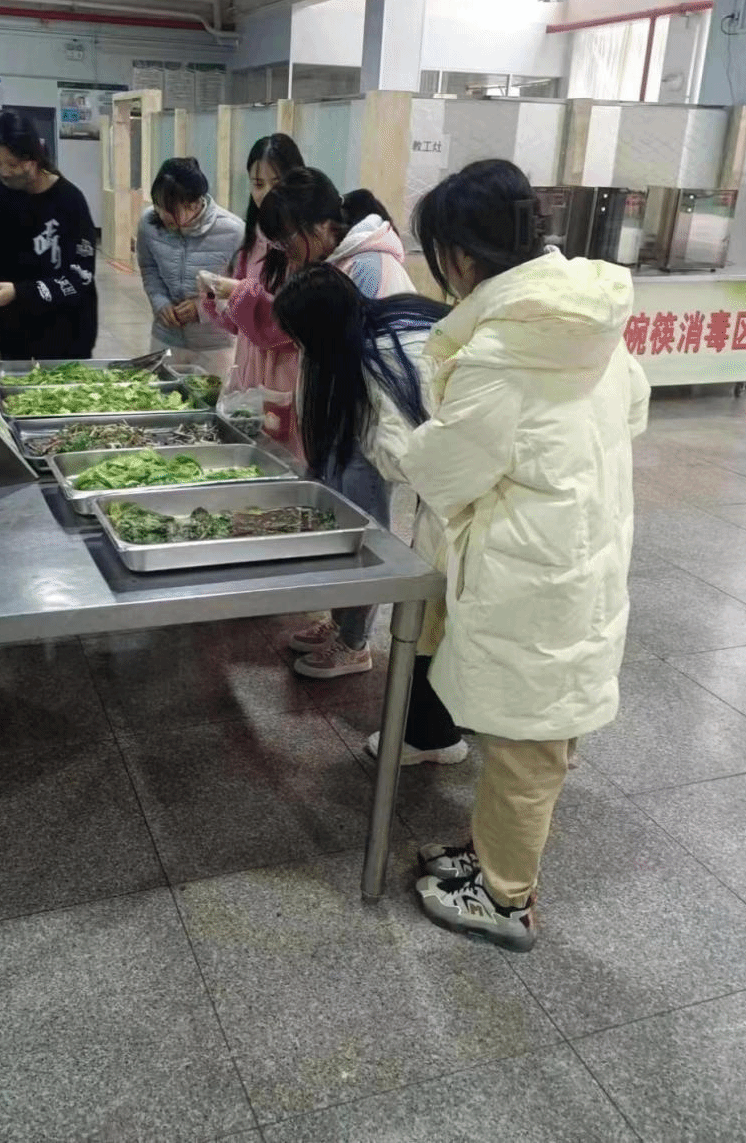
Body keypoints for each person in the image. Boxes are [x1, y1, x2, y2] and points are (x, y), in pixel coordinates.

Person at [379, 159, 650, 951]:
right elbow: (634, 410)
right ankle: (493, 856)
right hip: (581, 545)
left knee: (529, 746)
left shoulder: (502, 351)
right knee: (533, 735)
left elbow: (445, 471)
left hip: (536, 568)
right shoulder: (585, 315)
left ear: (462, 256)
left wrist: (390, 432)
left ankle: (506, 898)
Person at [273, 263, 468, 764]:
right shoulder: (364, 330)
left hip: (461, 483)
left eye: (299, 337)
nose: (298, 347)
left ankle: (363, 651)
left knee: (436, 600)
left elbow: (407, 460)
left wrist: (364, 445)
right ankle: (348, 629)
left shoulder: (382, 358)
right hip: (454, 471)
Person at [257, 168, 417, 678]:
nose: (286, 252)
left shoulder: (370, 266)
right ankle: (339, 621)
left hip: (365, 428)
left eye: (288, 239)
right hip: (340, 418)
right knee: (337, 520)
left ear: (323, 226)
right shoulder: (340, 259)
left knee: (361, 529)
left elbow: (376, 363)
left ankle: (355, 642)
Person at [198, 133, 305, 448]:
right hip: (250, 364)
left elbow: (293, 324)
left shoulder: (303, 245)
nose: (266, 194)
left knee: (282, 451)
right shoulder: (253, 239)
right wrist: (214, 294)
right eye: (258, 184)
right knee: (249, 448)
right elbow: (238, 323)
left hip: (284, 368)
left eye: (277, 183)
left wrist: (239, 292)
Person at [0, 109, 98, 361]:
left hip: (67, 331)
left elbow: (80, 277)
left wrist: (19, 292)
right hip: (14, 332)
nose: (4, 172)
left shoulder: (68, 201)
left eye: (12, 164)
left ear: (33, 157)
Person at [136, 157, 243, 372]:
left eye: (169, 209)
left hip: (215, 346)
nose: (161, 215)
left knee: (212, 394)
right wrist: (160, 303)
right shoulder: (149, 223)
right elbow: (149, 269)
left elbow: (244, 289)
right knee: (163, 392)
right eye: (157, 205)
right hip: (167, 338)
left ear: (194, 204)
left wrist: (203, 309)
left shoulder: (234, 231)